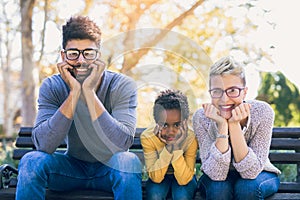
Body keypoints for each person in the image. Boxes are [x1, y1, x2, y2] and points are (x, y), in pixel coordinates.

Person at [16, 16, 142, 200]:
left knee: (128, 161)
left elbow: (121, 144)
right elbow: (44, 145)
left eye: (88, 53)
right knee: (31, 161)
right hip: (69, 171)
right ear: (63, 56)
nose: (81, 60)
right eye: (73, 53)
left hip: (111, 169)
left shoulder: (122, 85)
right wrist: (74, 92)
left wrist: (89, 92)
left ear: (98, 55)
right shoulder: (52, 86)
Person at [193, 56, 281, 200]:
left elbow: (251, 172)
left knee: (247, 187)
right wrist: (222, 126)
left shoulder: (263, 112)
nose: (224, 99)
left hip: (260, 172)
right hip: (218, 177)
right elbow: (216, 174)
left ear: (245, 92)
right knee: (217, 189)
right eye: (217, 91)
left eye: (232, 90)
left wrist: (233, 125)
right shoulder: (201, 117)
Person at [141, 89, 198, 200]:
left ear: (185, 122)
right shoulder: (148, 137)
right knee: (155, 195)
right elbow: (156, 178)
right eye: (165, 125)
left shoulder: (190, 138)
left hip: (184, 175)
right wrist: (169, 149)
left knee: (182, 196)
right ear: (156, 122)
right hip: (160, 175)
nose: (171, 131)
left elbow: (184, 179)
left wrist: (176, 148)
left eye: (177, 125)